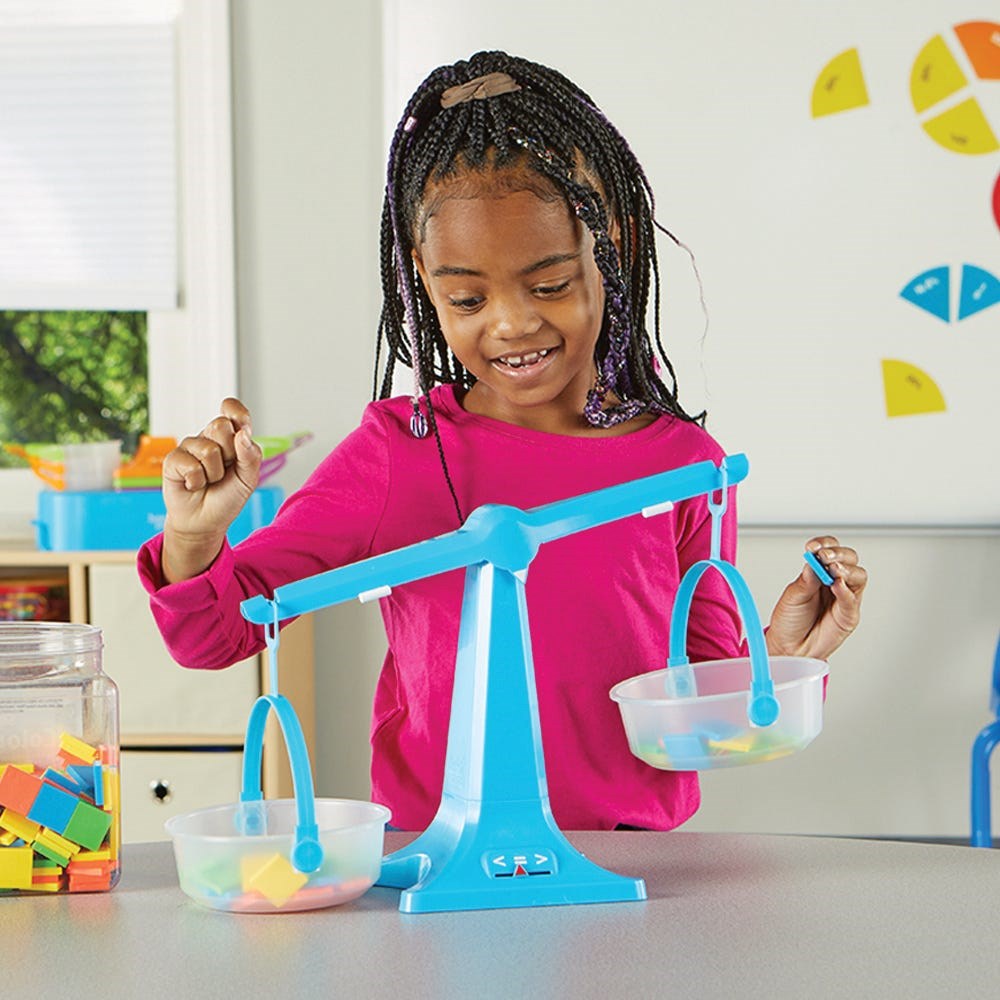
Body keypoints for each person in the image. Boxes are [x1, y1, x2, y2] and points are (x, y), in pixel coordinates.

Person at [138, 51, 867, 832]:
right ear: (423, 278)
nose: (512, 324)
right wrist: (195, 537)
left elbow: (702, 726)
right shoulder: (401, 453)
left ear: (612, 246)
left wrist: (784, 660)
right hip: (444, 867)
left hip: (627, 868)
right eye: (467, 298)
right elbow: (214, 636)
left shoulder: (681, 466)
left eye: (549, 285)